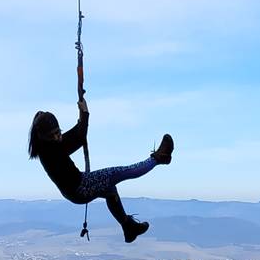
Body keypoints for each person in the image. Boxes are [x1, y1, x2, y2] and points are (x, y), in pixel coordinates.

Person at [28, 98, 173, 242]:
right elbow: (79, 137)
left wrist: (82, 117)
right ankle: (159, 158)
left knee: (111, 190)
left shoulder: (48, 147)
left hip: (77, 188)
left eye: (58, 132)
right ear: (43, 138)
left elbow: (76, 137)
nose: (57, 137)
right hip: (82, 187)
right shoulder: (50, 151)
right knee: (121, 172)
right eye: (52, 135)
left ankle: (129, 228)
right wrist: (84, 113)